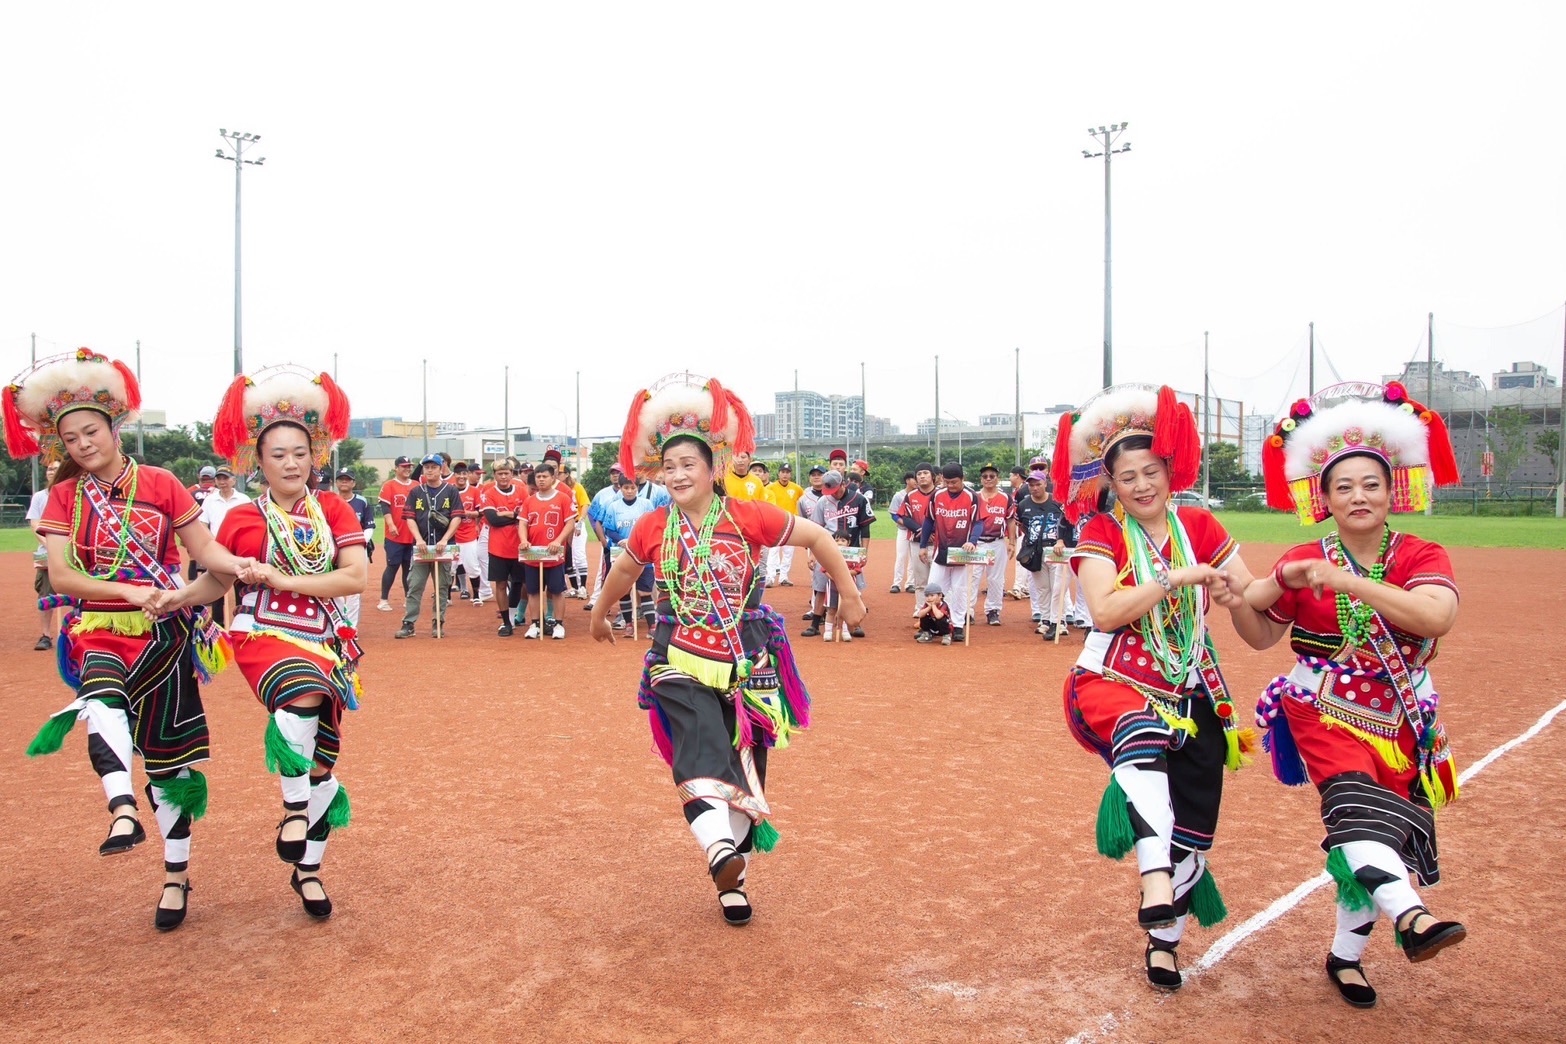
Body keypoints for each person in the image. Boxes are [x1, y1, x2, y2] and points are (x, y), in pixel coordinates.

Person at [592, 375, 864, 926]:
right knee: (700, 747)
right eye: (668, 468)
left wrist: (851, 592)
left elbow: (817, 538)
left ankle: (730, 874)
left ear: (714, 467)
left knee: (745, 768)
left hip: (749, 660)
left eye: (688, 464)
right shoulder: (653, 525)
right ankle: (717, 850)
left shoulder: (747, 516)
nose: (677, 475)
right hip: (677, 656)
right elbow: (624, 569)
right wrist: (599, 612)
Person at [1245, 382, 1466, 1008]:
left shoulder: (1421, 554)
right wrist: (1246, 597)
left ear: (1393, 488)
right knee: (1352, 805)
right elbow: (1261, 634)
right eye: (1343, 486)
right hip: (1321, 709)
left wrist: (1346, 580)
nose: (1358, 495)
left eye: (1370, 483)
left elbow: (1434, 617)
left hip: (1402, 718)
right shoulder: (1302, 557)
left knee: (1374, 836)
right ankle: (1414, 918)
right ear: (1324, 497)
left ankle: (1345, 957)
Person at [1056, 385, 1272, 991]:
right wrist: (1174, 579)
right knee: (1142, 734)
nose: (1141, 484)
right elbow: (1104, 610)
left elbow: (1257, 628)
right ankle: (1153, 876)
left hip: (1192, 688)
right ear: (1112, 485)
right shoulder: (1104, 531)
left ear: (1170, 470)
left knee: (1195, 829)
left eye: (1150, 470)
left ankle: (1164, 940)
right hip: (1112, 680)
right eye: (1126, 477)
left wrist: (1251, 596)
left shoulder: (1200, 525)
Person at [13, 348, 238, 931]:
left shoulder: (162, 483)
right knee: (100, 698)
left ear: (114, 429)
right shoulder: (66, 495)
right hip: (99, 628)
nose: (83, 443)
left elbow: (205, 554)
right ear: (60, 446)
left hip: (166, 636)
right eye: (71, 437)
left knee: (170, 764)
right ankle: (120, 808)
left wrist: (232, 568)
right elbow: (61, 575)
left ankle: (175, 872)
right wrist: (128, 592)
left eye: (91, 430)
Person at [166, 364, 365, 921]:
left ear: (315, 455)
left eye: (300, 452)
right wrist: (177, 599)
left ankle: (309, 869)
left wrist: (283, 578)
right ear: (258, 461)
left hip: (327, 638)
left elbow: (354, 578)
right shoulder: (241, 517)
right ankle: (294, 812)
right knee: (295, 690)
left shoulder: (334, 511)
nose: (291, 462)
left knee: (324, 767)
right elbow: (216, 581)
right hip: (262, 634)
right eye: (278, 454)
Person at [396, 455, 461, 639]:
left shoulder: (451, 491)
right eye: (426, 467)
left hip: (443, 547)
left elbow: (456, 517)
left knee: (441, 586)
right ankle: (409, 624)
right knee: (415, 585)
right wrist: (418, 539)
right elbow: (410, 518)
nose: (430, 470)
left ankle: (438, 622)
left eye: (434, 467)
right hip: (422, 548)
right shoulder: (416, 492)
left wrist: (445, 539)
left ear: (441, 469)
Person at [918, 463, 984, 643]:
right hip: (941, 550)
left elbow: (978, 522)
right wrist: (923, 545)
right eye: (947, 482)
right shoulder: (937, 495)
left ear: (962, 479)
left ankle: (958, 625)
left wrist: (972, 541)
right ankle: (930, 625)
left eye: (954, 482)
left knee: (960, 590)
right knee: (933, 587)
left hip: (961, 551)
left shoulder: (972, 496)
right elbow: (928, 521)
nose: (950, 486)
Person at [807, 468, 872, 640]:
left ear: (843, 484)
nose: (832, 494)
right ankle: (815, 624)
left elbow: (865, 527)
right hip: (825, 549)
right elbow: (815, 528)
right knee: (821, 586)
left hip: (851, 551)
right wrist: (812, 554)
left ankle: (855, 624)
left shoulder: (859, 500)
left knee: (853, 588)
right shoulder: (823, 501)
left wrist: (864, 552)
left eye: (834, 490)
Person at [522, 460, 575, 639]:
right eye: (538, 477)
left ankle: (558, 624)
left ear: (553, 478)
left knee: (557, 590)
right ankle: (536, 623)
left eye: (545, 476)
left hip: (553, 554)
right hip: (533, 554)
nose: (541, 480)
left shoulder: (562, 498)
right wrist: (523, 540)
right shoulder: (529, 501)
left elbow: (570, 522)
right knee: (533, 590)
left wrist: (559, 540)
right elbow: (522, 522)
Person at [1014, 471, 1071, 638]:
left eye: (1038, 484)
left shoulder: (1057, 502)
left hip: (1056, 551)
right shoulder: (1024, 504)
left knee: (1058, 588)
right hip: (1036, 551)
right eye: (1031, 485)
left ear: (1045, 483)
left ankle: (1059, 621)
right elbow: (1022, 525)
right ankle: (1046, 620)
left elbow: (1068, 523)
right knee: (1042, 588)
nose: (1034, 488)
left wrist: (1061, 541)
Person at [595, 474, 656, 629]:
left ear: (637, 488)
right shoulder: (614, 507)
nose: (629, 491)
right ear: (620, 488)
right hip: (621, 553)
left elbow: (651, 526)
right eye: (626, 488)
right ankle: (628, 623)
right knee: (624, 590)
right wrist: (622, 541)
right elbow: (609, 529)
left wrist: (634, 540)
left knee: (644, 591)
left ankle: (652, 626)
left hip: (643, 554)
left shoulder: (646, 504)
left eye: (632, 488)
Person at [196, 464, 251, 625]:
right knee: (216, 586)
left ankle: (242, 621)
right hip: (217, 549)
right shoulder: (210, 500)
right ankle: (219, 624)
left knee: (242, 585)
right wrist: (210, 544)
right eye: (219, 478)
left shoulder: (243, 500)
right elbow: (203, 523)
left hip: (239, 550)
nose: (222, 482)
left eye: (225, 478)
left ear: (233, 480)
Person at [480, 458, 528, 636]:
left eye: (507, 473)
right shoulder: (489, 493)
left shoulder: (522, 491)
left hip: (519, 545)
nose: (503, 477)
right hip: (498, 546)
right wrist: (514, 515)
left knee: (518, 582)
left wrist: (507, 513)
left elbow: (526, 516)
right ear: (494, 475)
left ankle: (514, 615)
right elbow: (493, 520)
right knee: (500, 584)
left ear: (512, 474)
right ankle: (506, 622)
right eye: (500, 473)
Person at [26, 459, 62, 650]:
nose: (50, 472)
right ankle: (46, 635)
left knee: (80, 593)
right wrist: (50, 545)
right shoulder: (40, 497)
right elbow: (35, 524)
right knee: (45, 594)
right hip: (46, 553)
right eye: (49, 469)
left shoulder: (71, 493)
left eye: (55, 469)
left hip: (70, 552)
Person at [332, 469, 376, 626]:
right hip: (334, 550)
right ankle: (335, 623)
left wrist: (358, 543)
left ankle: (351, 627)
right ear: (336, 483)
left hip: (357, 549)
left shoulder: (361, 502)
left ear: (353, 483)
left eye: (347, 479)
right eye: (341, 479)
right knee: (332, 586)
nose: (344, 482)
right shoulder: (330, 501)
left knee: (354, 590)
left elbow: (369, 526)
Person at [975, 464, 1015, 626]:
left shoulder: (1005, 498)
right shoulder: (974, 496)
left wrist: (1011, 542)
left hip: (996, 542)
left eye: (992, 476)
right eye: (985, 476)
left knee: (996, 579)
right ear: (981, 479)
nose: (988, 479)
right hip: (977, 543)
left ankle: (993, 610)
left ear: (997, 478)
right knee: (972, 577)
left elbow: (1010, 519)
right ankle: (967, 611)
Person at [376, 455, 416, 612]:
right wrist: (391, 524)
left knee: (408, 567)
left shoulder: (416, 485)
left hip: (412, 535)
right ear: (396, 469)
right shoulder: (389, 485)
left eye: (409, 466)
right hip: (395, 535)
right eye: (404, 466)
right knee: (392, 566)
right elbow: (385, 508)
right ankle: (384, 600)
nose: (407, 469)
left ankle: (408, 598)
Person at [586, 463, 627, 610]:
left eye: (618, 472)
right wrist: (601, 537)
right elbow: (593, 515)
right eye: (612, 472)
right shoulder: (603, 494)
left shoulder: (632, 492)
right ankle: (602, 603)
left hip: (630, 542)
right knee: (605, 573)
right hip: (610, 542)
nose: (615, 475)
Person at [452, 464, 491, 607]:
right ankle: (447, 597)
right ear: (454, 475)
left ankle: (476, 595)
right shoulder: (449, 490)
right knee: (449, 568)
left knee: (473, 567)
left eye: (464, 473)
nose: (461, 476)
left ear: (467, 475)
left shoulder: (474, 491)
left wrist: (468, 514)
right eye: (458, 474)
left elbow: (481, 512)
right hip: (451, 535)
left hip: (468, 535)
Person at [822, 529, 867, 642]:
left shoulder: (852, 556)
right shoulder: (830, 555)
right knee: (831, 610)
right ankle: (828, 631)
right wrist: (835, 576)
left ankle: (845, 631)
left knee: (846, 610)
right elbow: (825, 569)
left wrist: (843, 575)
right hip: (833, 586)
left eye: (843, 540)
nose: (840, 543)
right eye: (837, 540)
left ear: (849, 542)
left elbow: (857, 570)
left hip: (848, 587)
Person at [763, 463, 804, 586]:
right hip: (775, 523)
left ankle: (784, 577)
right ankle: (770, 577)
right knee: (773, 551)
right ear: (778, 473)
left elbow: (803, 502)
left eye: (787, 472)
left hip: (791, 523)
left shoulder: (796, 488)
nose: (785, 475)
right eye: (783, 472)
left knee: (788, 552)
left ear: (790, 474)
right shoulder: (770, 488)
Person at [902, 463, 937, 599]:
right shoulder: (910, 496)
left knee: (938, 579)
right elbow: (905, 517)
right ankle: (921, 609)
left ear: (932, 476)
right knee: (921, 580)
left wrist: (930, 532)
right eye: (919, 474)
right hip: (917, 541)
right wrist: (922, 531)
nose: (922, 476)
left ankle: (940, 610)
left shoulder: (940, 494)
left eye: (925, 473)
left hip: (937, 542)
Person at [561, 462, 592, 600]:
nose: (557, 475)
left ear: (567, 474)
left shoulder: (576, 487)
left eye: (560, 473)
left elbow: (585, 504)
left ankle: (583, 587)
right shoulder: (556, 488)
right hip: (564, 526)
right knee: (569, 557)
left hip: (577, 523)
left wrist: (581, 521)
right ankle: (574, 587)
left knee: (579, 555)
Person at [887, 472, 916, 593]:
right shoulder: (899, 495)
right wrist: (904, 523)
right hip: (903, 530)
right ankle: (896, 583)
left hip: (915, 531)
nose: (916, 481)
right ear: (907, 481)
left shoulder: (919, 495)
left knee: (914, 558)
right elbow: (893, 514)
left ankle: (910, 583)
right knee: (901, 556)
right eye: (913, 478)